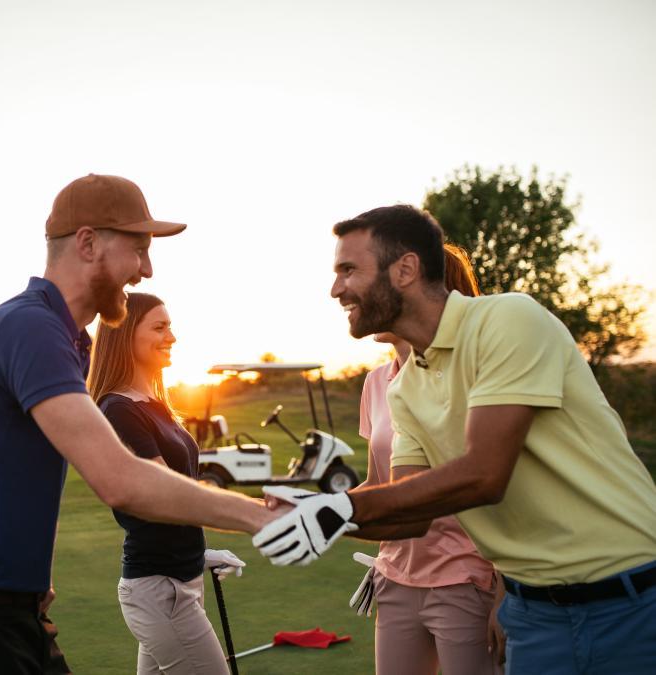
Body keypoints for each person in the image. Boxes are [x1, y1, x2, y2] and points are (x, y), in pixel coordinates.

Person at [0, 174, 281, 675]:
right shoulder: (31, 328)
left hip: (3, 613)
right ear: (87, 242)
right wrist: (259, 516)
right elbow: (120, 480)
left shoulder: (61, 338)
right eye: (138, 250)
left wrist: (29, 583)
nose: (145, 269)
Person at [253, 204, 656, 674]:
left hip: (632, 600)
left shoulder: (507, 319)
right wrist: (314, 509)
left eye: (348, 270)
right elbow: (409, 513)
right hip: (535, 616)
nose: (336, 288)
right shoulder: (404, 388)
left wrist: (342, 510)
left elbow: (485, 475)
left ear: (405, 269)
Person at [355, 244, 503, 675]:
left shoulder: (473, 378)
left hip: (465, 577)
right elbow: (377, 485)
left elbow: (499, 489)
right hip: (395, 577)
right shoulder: (375, 383)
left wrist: (505, 592)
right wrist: (313, 510)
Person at [88, 292, 246, 675]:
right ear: (125, 336)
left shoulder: (156, 405)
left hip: (179, 582)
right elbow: (164, 496)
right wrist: (254, 514)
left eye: (170, 327)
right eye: (159, 327)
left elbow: (174, 503)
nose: (171, 337)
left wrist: (199, 553)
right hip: (160, 591)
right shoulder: (119, 409)